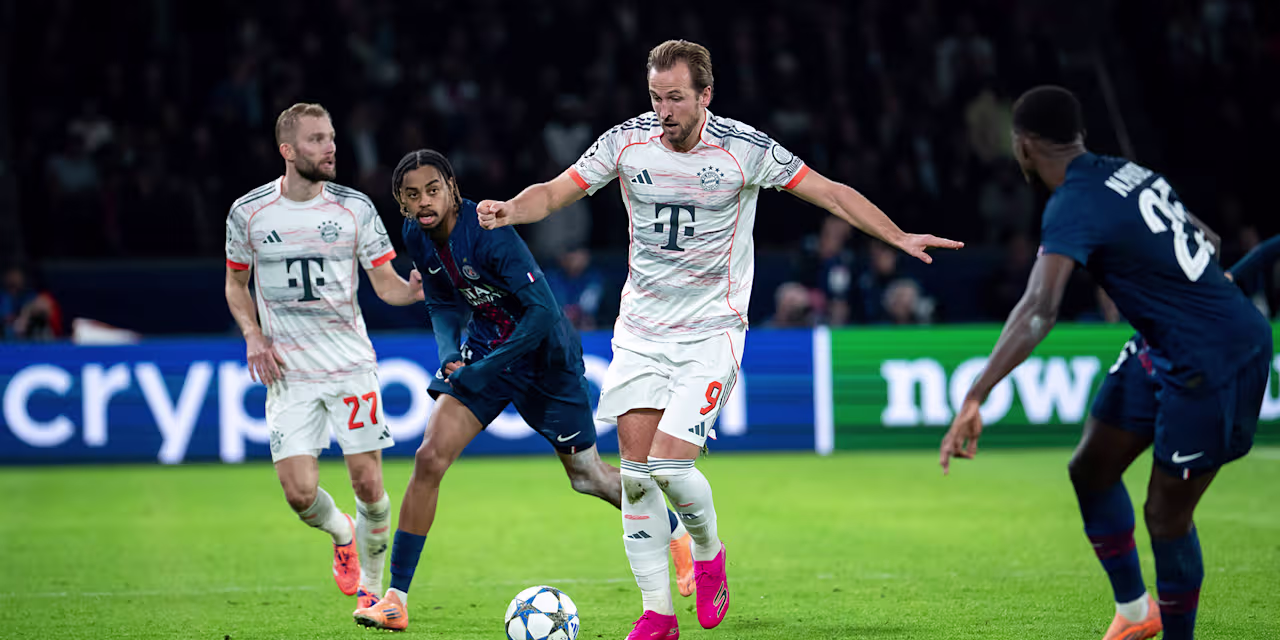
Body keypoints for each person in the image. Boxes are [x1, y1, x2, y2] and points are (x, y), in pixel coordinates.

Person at [477, 40, 962, 639]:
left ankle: (708, 551)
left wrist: (898, 235)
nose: (663, 111)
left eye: (676, 98)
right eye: (655, 97)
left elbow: (831, 192)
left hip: (711, 332)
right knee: (635, 476)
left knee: (668, 466)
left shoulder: (743, 149)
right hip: (641, 332)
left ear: (706, 95)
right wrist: (511, 209)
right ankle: (658, 615)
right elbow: (557, 191)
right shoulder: (626, 142)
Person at [939, 86, 1274, 640]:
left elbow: (1039, 309)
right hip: (1165, 344)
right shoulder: (1127, 171)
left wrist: (977, 393)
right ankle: (1137, 615)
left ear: (1024, 146)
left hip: (1215, 360)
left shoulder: (1071, 204)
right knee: (1091, 469)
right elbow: (1208, 241)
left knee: (1166, 516)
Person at [352, 149, 695, 632]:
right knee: (429, 458)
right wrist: (450, 354)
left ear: (452, 188)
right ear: (401, 202)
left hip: (546, 360)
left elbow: (543, 312)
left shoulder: (488, 232)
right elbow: (442, 300)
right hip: (487, 348)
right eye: (412, 195)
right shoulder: (416, 233)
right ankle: (395, 599)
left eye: (432, 190)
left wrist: (484, 369)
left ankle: (676, 532)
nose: (424, 201)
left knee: (587, 477)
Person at [224, 103, 425, 613]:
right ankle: (341, 532)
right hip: (288, 372)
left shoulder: (354, 208)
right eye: (316, 139)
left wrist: (413, 291)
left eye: (331, 137)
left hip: (349, 366)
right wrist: (252, 334)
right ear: (288, 151)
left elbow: (386, 285)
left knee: (369, 483)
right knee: (298, 493)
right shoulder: (249, 213)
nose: (330, 147)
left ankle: (372, 591)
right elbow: (235, 284)